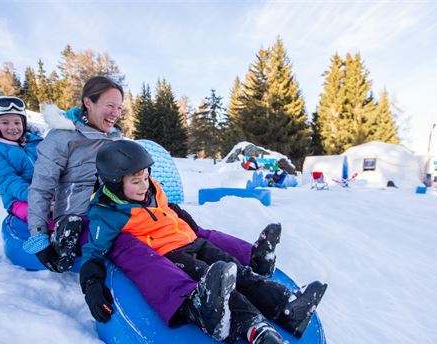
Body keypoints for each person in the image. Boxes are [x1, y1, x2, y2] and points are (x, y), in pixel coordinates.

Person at [80, 141, 328, 344]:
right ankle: (256, 331)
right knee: (220, 287)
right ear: (114, 182)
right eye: (136, 181)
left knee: (239, 273)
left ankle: (288, 307)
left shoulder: (151, 189)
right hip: (171, 255)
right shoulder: (106, 213)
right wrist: (91, 284)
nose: (144, 185)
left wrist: (185, 221)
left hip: (193, 241)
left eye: (146, 177)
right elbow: (93, 251)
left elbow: (166, 208)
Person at [22, 75, 278, 278]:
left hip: (125, 209)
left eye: (119, 108)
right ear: (88, 102)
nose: (115, 113)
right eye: (109, 106)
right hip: (85, 217)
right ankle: (191, 285)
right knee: (143, 245)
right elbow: (41, 188)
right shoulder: (62, 138)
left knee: (183, 225)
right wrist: (38, 236)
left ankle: (253, 257)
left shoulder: (116, 138)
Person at [0, 96, 45, 223]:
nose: (13, 127)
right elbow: (7, 180)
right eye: (5, 122)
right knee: (41, 216)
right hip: (19, 200)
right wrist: (38, 197)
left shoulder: (37, 142)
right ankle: (42, 240)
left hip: (50, 193)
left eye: (17, 122)